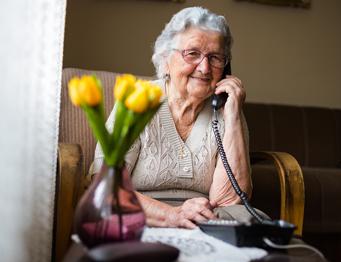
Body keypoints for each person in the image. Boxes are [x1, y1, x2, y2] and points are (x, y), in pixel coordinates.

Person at [90, 7, 255, 229]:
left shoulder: (228, 107)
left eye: (215, 57)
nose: (205, 68)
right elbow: (107, 187)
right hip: (139, 218)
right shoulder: (137, 101)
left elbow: (230, 201)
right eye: (192, 53)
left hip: (205, 223)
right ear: (166, 59)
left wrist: (233, 116)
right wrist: (174, 215)